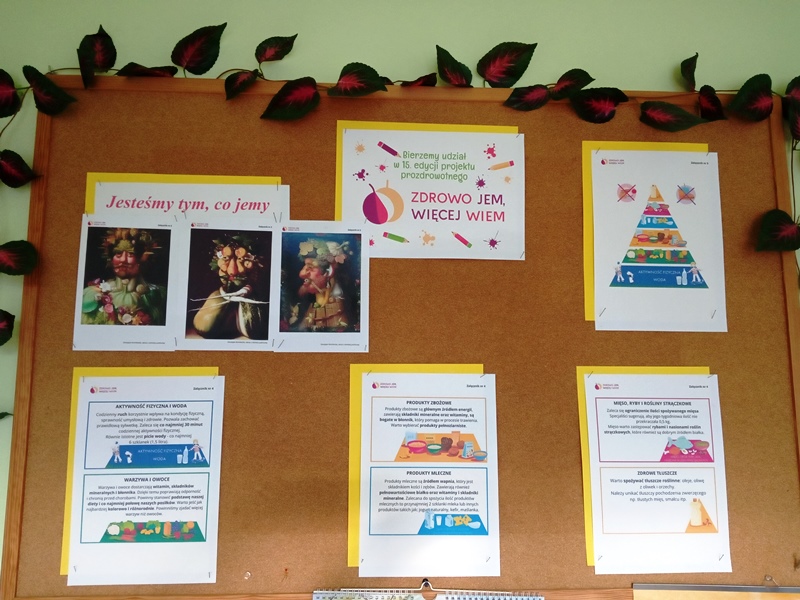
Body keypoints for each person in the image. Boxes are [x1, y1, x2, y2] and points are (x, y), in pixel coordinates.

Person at [81, 228, 167, 325]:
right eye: (118, 253)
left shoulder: (157, 296)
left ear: (141, 259)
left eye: (131, 254)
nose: (123, 260)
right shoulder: (93, 294)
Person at [192, 232, 270, 339]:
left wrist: (247, 289)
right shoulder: (218, 296)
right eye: (226, 260)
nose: (232, 271)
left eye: (241, 261)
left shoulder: (254, 294)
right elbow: (204, 326)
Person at [283, 236, 358, 332]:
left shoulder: (337, 311)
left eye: (310, 267)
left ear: (329, 271)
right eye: (305, 267)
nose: (302, 274)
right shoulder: (312, 306)